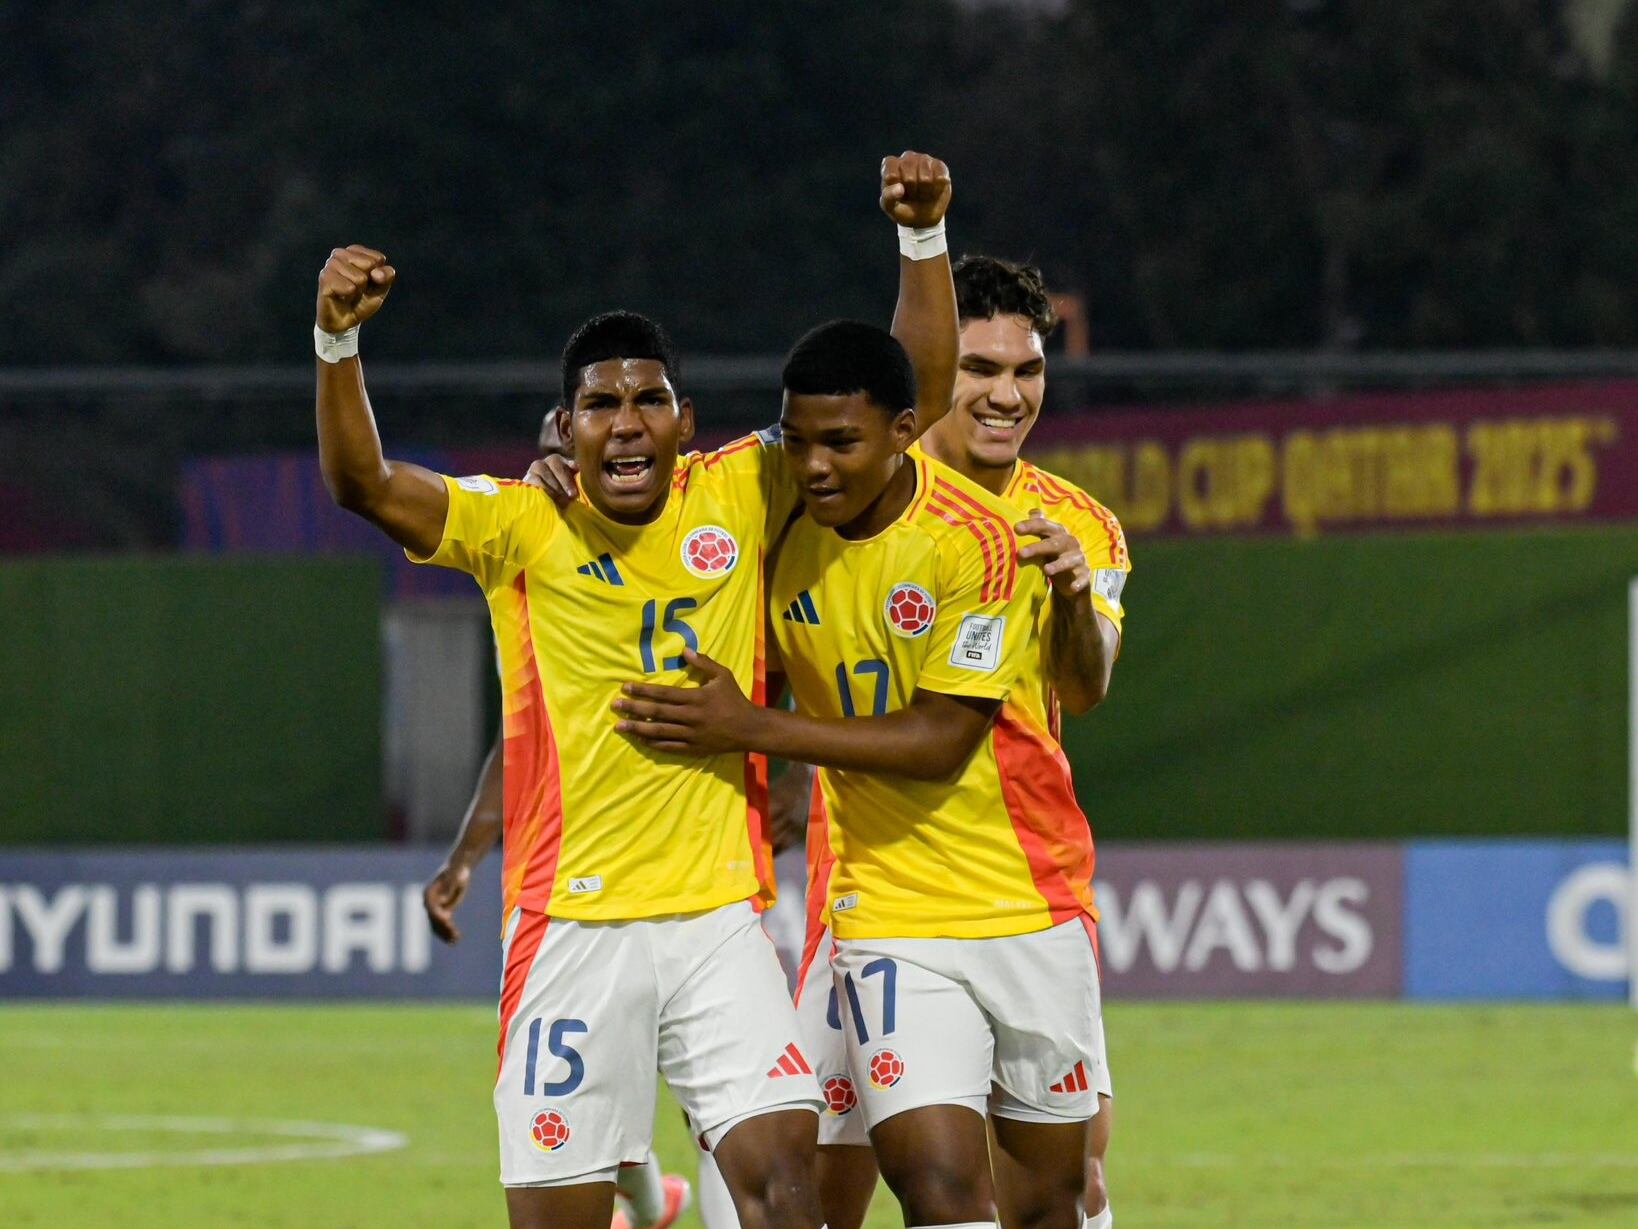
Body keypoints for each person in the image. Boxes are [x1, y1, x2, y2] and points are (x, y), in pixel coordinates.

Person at [312, 150, 956, 1229]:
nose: (625, 420)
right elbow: (362, 483)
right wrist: (338, 340)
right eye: (600, 404)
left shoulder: (744, 491)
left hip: (717, 921)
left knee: (783, 1188)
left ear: (683, 420)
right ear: (564, 431)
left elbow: (915, 396)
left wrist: (924, 237)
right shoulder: (518, 527)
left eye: (647, 400)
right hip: (574, 928)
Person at [614, 319, 1107, 1229]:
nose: (815, 467)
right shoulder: (780, 534)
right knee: (940, 1186)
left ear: (904, 431)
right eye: (797, 443)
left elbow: (941, 740)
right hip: (890, 916)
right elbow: (650, 507)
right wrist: (561, 470)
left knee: (1048, 1203)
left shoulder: (979, 544)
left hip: (1030, 899)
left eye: (841, 442)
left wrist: (754, 728)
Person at [420, 411, 693, 1229]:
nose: (560, 459)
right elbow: (521, 742)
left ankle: (661, 1203)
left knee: (727, 1118)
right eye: (549, 444)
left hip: (698, 873)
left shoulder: (689, 545)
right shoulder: (529, 581)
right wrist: (466, 858)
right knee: (588, 1101)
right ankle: (653, 1205)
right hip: (566, 891)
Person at [917, 254, 1128, 1228]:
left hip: (1037, 886)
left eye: (1026, 371)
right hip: (886, 891)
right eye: (981, 368)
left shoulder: (1084, 524)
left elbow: (1084, 690)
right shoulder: (868, 499)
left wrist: (1075, 594)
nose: (1007, 394)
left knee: (1071, 1179)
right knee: (867, 1180)